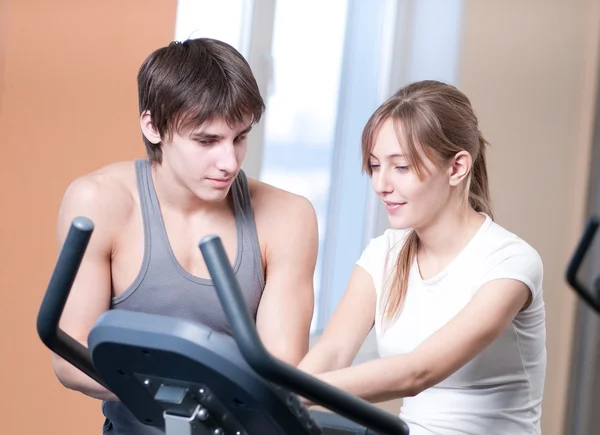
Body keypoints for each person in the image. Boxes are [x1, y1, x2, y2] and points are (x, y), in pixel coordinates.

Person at [51, 37, 319, 434]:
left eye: (240, 137)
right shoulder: (99, 201)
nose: (229, 162)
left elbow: (280, 371)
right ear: (153, 126)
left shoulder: (287, 216)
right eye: (207, 140)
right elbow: (71, 357)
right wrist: (194, 396)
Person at [298, 80, 546, 435]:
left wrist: (295, 391)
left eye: (400, 167)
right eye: (374, 165)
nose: (381, 184)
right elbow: (334, 352)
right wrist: (276, 393)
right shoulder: (384, 254)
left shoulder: (509, 262)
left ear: (457, 168)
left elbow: (418, 371)